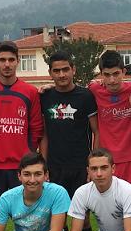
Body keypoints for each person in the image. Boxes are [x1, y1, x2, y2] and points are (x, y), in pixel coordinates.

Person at [0, 40, 45, 197]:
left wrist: (27, 152)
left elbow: (36, 127)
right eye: (2, 60)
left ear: (18, 61)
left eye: (11, 60)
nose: (7, 64)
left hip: (22, 165)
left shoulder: (30, 92)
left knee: (24, 210)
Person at [39, 51, 98, 198]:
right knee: (57, 210)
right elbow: (44, 134)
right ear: (50, 73)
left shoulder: (86, 96)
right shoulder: (45, 97)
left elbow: (97, 132)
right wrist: (43, 165)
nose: (61, 75)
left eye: (65, 69)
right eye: (56, 71)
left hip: (81, 166)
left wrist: (93, 164)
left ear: (73, 70)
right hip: (54, 167)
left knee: (82, 211)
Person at [89, 50, 131, 196]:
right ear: (101, 74)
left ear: (124, 72)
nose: (112, 79)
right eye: (107, 75)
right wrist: (49, 87)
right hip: (106, 159)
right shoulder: (95, 90)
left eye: (116, 74)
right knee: (108, 202)